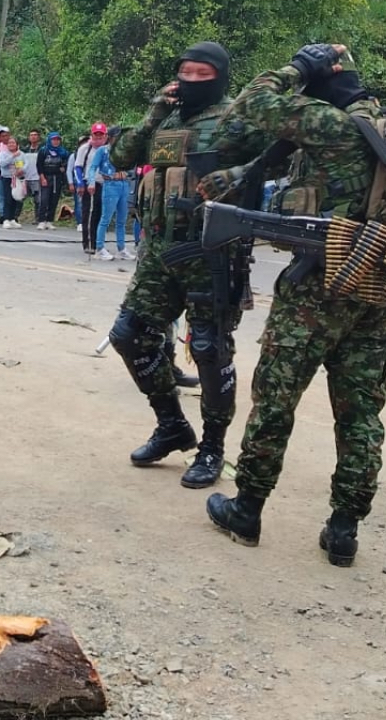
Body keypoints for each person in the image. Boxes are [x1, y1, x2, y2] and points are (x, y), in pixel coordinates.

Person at [204, 44, 386, 567]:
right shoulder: (385, 132)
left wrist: (295, 68)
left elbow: (250, 103)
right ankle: (344, 529)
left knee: (276, 397)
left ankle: (247, 509)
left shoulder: (331, 126)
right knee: (360, 412)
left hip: (317, 288)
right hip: (373, 291)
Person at [107, 41, 273, 488]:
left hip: (212, 253)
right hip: (159, 253)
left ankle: (213, 448)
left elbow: (284, 149)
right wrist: (154, 112)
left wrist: (240, 177)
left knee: (208, 348)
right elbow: (120, 156)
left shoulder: (236, 117)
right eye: (186, 73)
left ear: (219, 76)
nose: (192, 81)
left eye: (203, 74)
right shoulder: (168, 117)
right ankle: (171, 425)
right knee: (129, 337)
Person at [92, 126, 134, 261]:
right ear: (110, 137)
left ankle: (121, 248)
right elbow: (93, 167)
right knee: (106, 218)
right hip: (110, 184)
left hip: (123, 184)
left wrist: (126, 173)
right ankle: (99, 248)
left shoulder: (124, 151)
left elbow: (132, 167)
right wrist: (91, 182)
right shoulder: (103, 151)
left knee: (121, 219)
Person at [76, 123, 108, 253]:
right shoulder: (85, 148)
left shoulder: (108, 149)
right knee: (89, 214)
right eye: (96, 135)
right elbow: (78, 167)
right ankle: (88, 243)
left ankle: (98, 242)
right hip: (90, 184)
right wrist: (80, 183)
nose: (98, 137)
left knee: (100, 214)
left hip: (105, 183)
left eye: (101, 135)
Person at [36, 132, 69, 230]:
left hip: (57, 178)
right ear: (50, 140)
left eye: (57, 140)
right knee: (44, 200)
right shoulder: (43, 151)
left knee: (54, 200)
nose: (56, 142)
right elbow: (39, 165)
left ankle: (49, 221)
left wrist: (63, 169)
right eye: (54, 139)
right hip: (46, 177)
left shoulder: (63, 152)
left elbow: (66, 163)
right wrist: (42, 178)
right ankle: (41, 220)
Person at [68, 135, 89, 228]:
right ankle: (80, 222)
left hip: (90, 180)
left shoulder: (93, 153)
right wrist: (70, 183)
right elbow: (69, 170)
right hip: (78, 181)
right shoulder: (74, 155)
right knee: (79, 202)